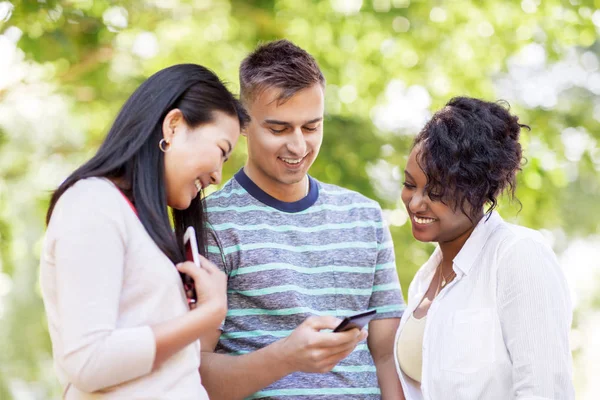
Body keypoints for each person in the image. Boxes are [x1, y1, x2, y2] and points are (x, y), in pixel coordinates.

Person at [199, 40, 405, 400]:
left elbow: (386, 357)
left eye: (311, 127)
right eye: (279, 129)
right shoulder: (211, 223)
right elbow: (194, 374)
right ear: (243, 124)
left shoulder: (365, 217)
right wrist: (285, 357)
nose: (298, 147)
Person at [40, 64, 248, 399]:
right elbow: (88, 361)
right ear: (175, 126)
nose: (217, 176)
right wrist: (207, 315)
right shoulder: (93, 202)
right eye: (221, 151)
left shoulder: (142, 224)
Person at [394, 97, 575, 399]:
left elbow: (546, 390)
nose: (414, 203)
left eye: (435, 191)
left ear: (477, 191)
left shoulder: (517, 257)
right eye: (410, 185)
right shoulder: (424, 281)